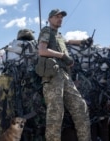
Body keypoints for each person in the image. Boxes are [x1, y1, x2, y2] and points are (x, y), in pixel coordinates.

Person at [37, 9, 93, 141]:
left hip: (64, 75)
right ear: (50, 19)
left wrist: (83, 42)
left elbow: (67, 42)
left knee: (80, 107)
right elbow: (42, 50)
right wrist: (62, 56)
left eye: (61, 17)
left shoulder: (59, 35)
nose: (60, 19)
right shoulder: (46, 31)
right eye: (57, 16)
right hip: (52, 75)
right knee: (56, 113)